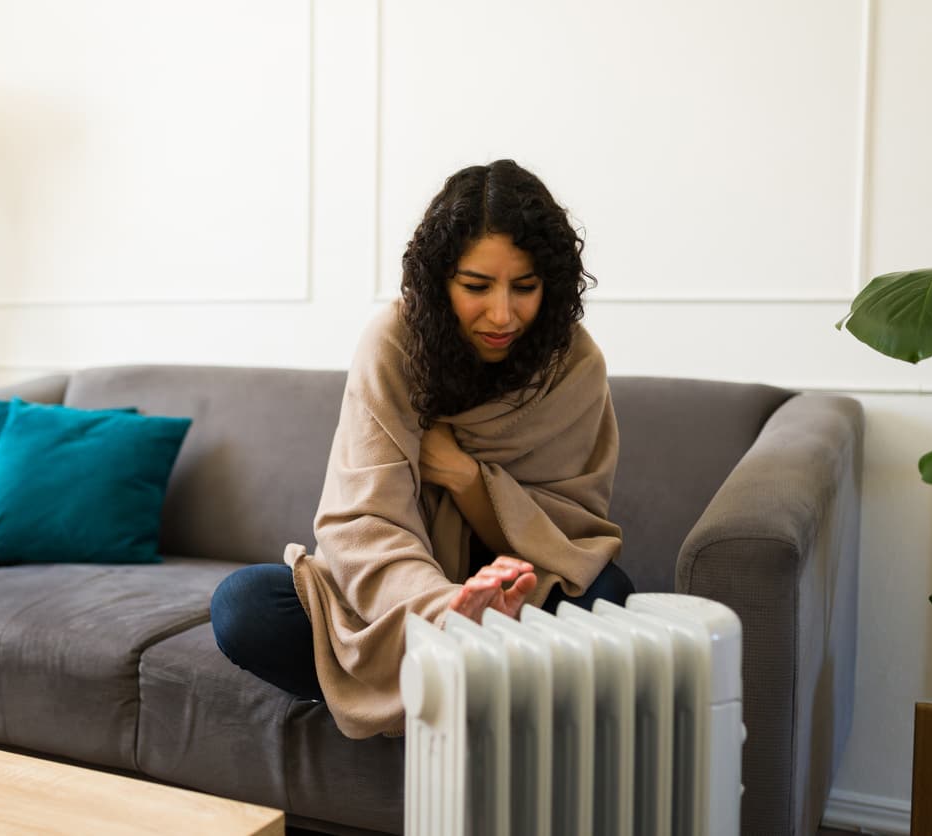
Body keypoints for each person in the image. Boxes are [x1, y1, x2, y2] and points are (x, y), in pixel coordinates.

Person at [210, 159, 630, 738]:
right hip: (402, 598)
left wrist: (463, 477)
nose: (502, 314)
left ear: (551, 287)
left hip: (522, 594)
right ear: (440, 281)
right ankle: (486, 693)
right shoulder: (393, 344)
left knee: (611, 598)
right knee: (244, 605)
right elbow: (366, 522)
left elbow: (568, 534)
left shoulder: (575, 365)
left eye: (525, 287)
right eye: (476, 287)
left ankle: (449, 688)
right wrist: (448, 611)